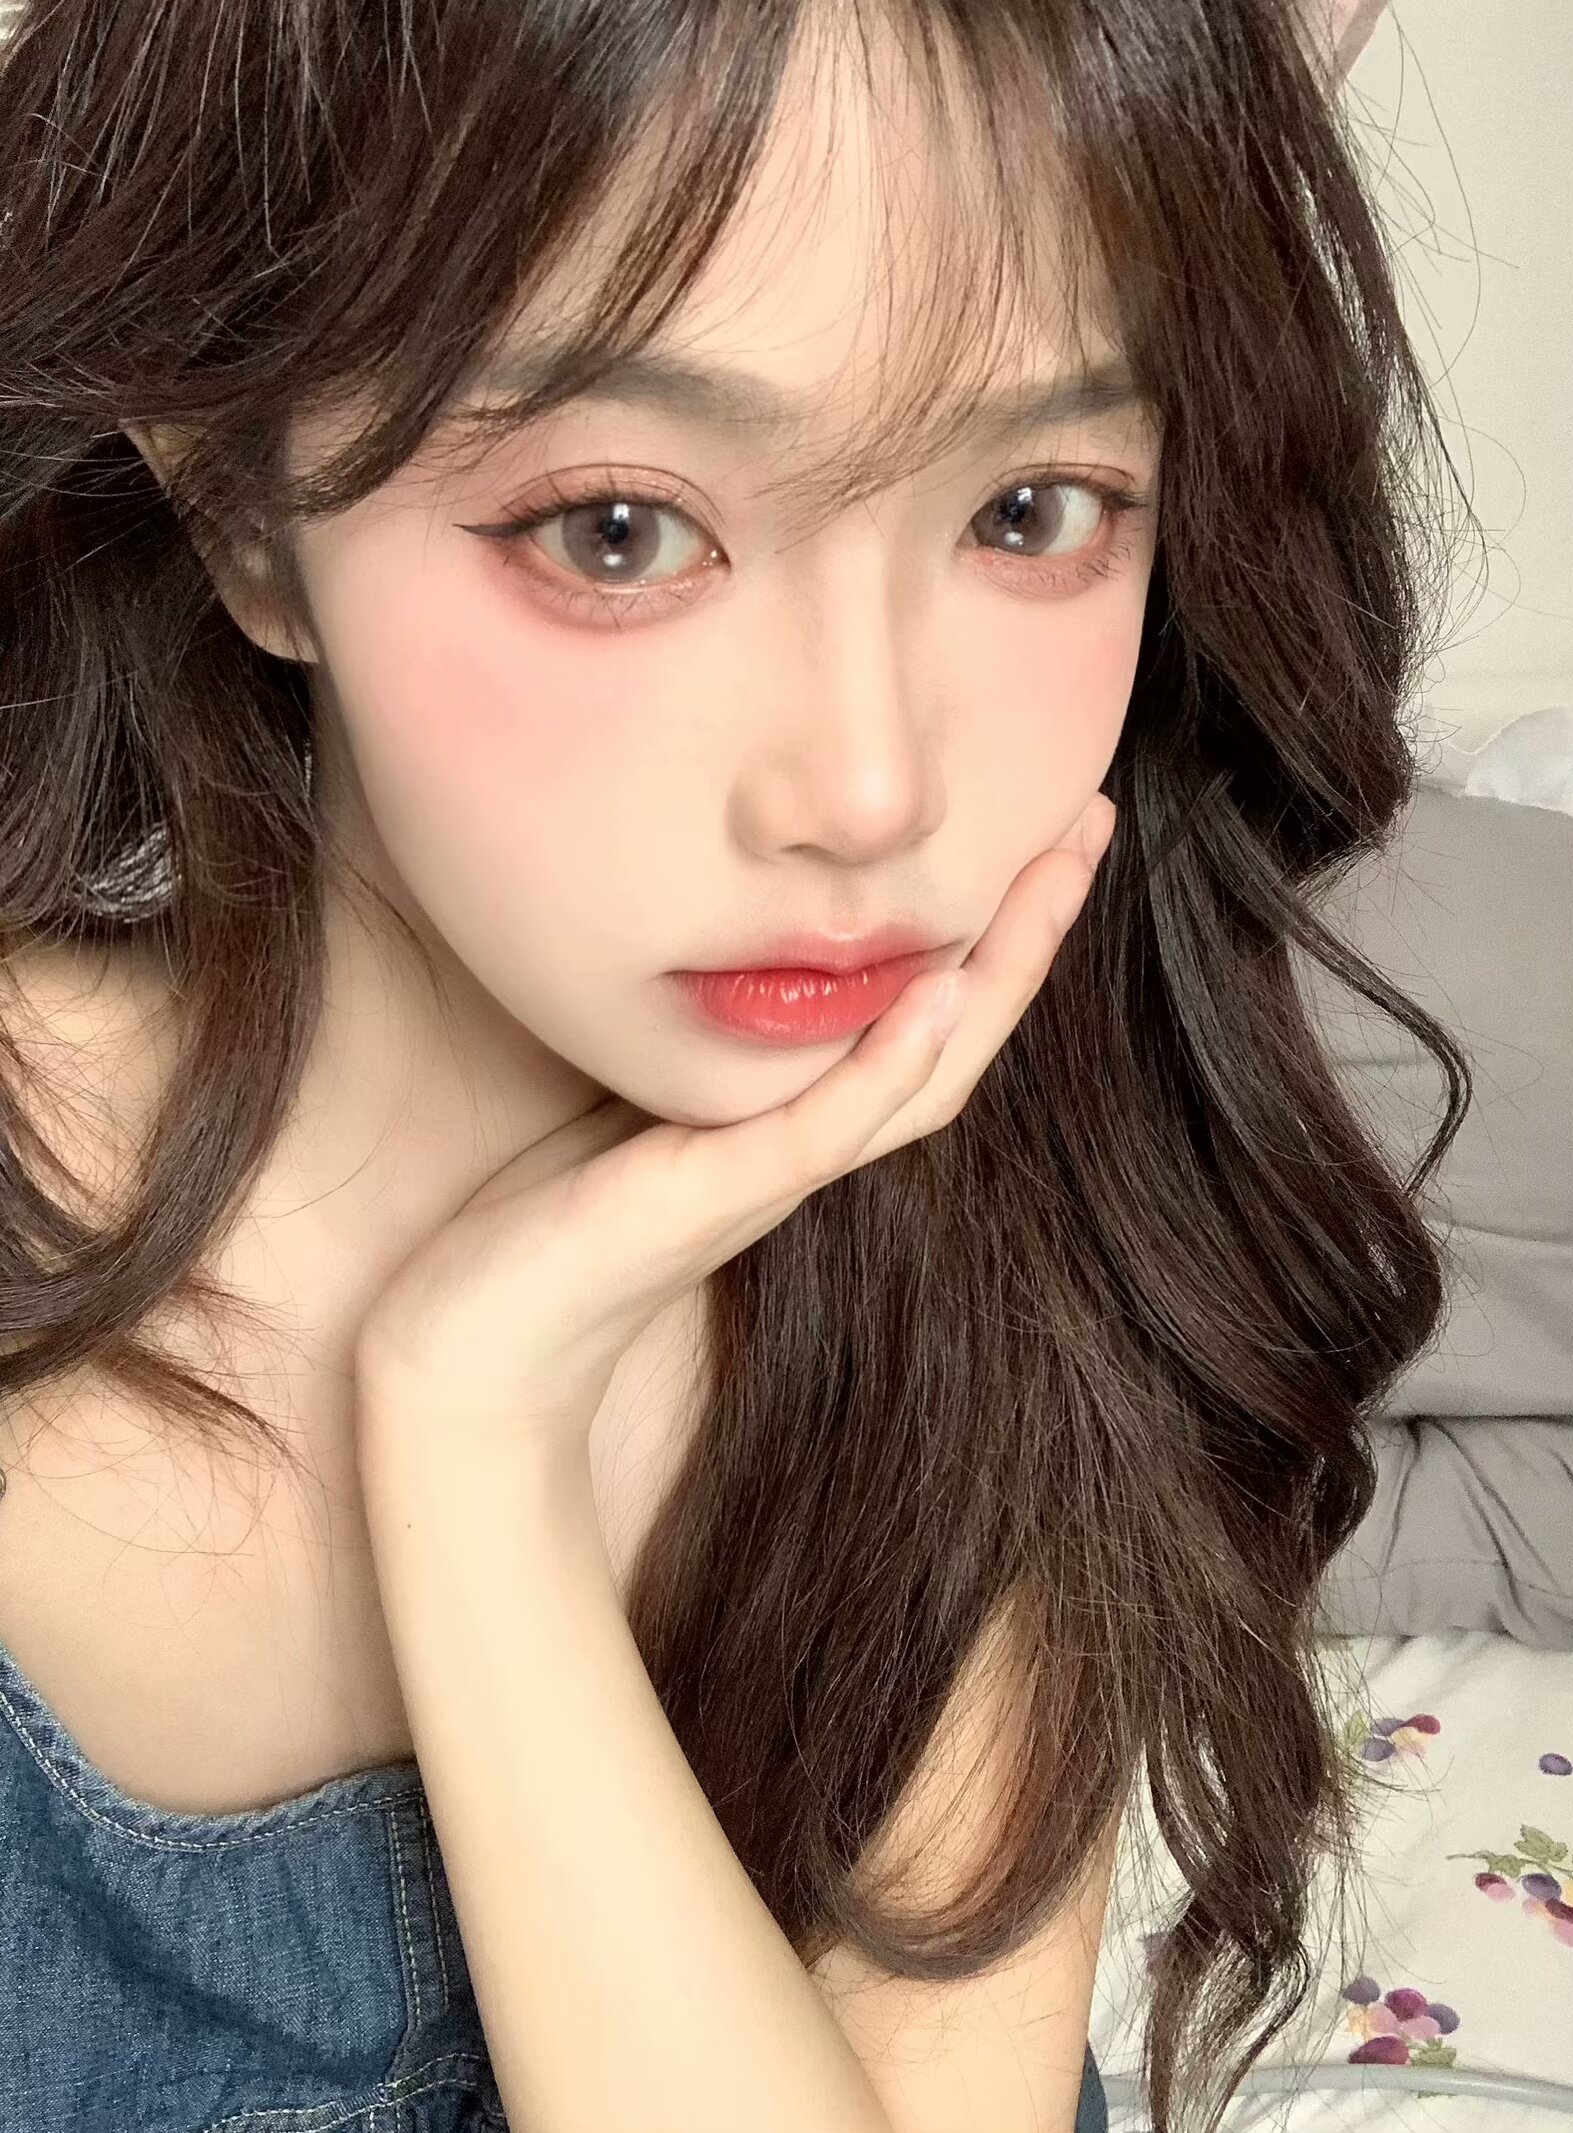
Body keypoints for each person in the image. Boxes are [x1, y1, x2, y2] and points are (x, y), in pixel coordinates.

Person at [0, 0, 1468, 2129]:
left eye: (1032, 507)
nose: (870, 790)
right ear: (241, 510)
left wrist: (475, 1434)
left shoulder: (1009, 1252)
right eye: (617, 529)